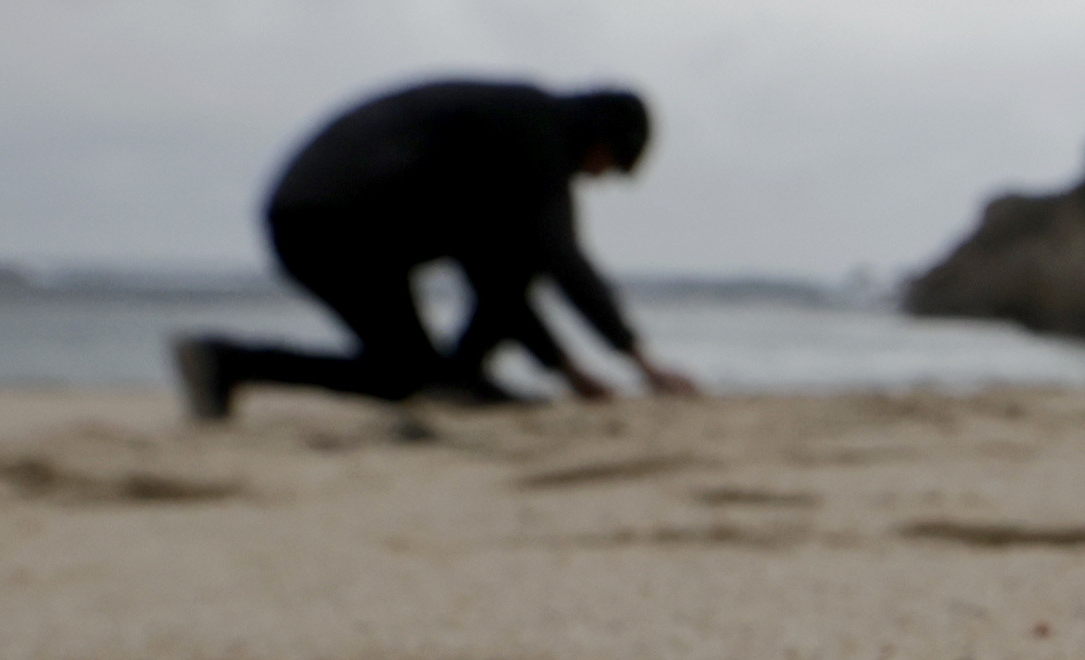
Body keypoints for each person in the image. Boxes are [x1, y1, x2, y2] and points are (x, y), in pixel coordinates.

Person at [169, 79, 703, 417]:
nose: (599, 179)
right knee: (410, 373)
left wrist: (564, 367)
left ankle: (226, 364)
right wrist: (639, 361)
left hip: (315, 217)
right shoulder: (534, 136)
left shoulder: (510, 132)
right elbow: (561, 258)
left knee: (414, 360)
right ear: (603, 140)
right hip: (340, 224)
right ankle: (453, 381)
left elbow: (497, 277)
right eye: (609, 166)